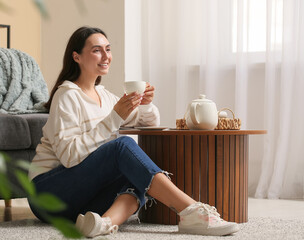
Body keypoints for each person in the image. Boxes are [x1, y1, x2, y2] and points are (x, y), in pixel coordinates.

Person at [28, 26, 239, 238]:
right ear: (77, 57)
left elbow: (147, 121)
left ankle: (103, 223)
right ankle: (192, 211)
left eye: (108, 49)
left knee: (137, 174)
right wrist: (114, 117)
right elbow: (69, 156)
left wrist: (145, 104)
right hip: (47, 193)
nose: (106, 56)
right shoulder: (67, 96)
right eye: (97, 50)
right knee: (124, 145)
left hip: (78, 202)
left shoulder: (105, 96)